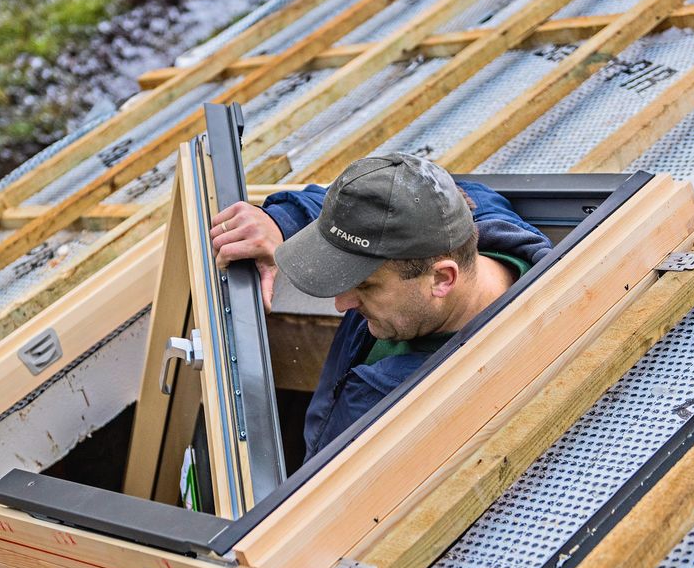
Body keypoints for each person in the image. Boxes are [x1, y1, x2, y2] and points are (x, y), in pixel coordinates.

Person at [210, 152, 552, 462]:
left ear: (442, 279)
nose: (342, 304)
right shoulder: (465, 220)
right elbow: (412, 192)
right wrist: (282, 221)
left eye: (365, 286)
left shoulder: (465, 397)